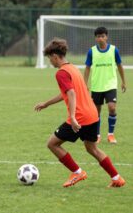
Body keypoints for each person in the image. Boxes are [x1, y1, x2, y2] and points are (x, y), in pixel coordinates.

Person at [34, 38, 125, 188]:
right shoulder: (73, 68)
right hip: (92, 114)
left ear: (55, 56)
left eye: (50, 58)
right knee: (92, 148)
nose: (50, 61)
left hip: (80, 117)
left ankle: (77, 172)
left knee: (52, 144)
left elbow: (71, 93)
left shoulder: (61, 73)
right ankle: (117, 178)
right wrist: (46, 104)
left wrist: (73, 118)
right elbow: (67, 92)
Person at [84, 27, 126, 144]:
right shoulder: (92, 51)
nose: (101, 38)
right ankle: (97, 135)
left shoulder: (114, 50)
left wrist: (123, 81)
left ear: (106, 37)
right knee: (96, 112)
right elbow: (87, 68)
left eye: (103, 36)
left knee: (112, 107)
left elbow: (120, 66)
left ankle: (111, 135)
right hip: (97, 86)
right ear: (95, 38)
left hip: (111, 84)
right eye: (98, 36)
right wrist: (84, 84)